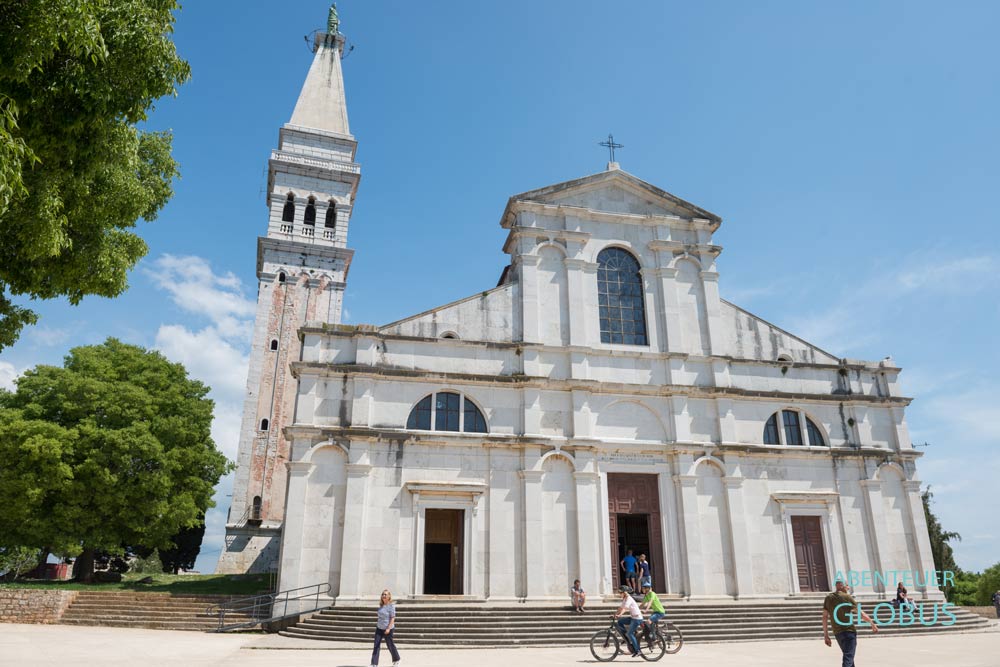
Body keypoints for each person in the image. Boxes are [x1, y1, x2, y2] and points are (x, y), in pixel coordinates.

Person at [823, 578, 877, 667]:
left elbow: (825, 617)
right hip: (849, 632)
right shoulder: (847, 597)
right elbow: (861, 613)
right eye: (847, 585)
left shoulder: (828, 598)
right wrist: (872, 623)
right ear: (841, 585)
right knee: (848, 658)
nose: (848, 587)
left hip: (838, 633)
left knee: (849, 657)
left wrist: (826, 635)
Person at [369, 589, 400, 667]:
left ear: (389, 596)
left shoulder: (391, 606)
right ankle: (374, 663)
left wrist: (388, 628)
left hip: (388, 629)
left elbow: (392, 618)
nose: (384, 596)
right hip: (379, 628)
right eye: (383, 594)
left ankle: (396, 660)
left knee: (390, 645)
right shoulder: (381, 606)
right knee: (376, 645)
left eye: (385, 594)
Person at [612, 585, 643, 657]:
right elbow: (620, 607)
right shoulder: (625, 599)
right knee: (620, 622)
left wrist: (620, 615)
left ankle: (638, 651)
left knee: (630, 634)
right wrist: (615, 614)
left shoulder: (629, 598)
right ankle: (626, 636)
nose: (620, 594)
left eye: (620, 593)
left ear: (624, 593)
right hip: (633, 618)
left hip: (637, 618)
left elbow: (625, 608)